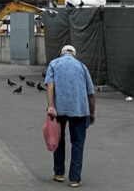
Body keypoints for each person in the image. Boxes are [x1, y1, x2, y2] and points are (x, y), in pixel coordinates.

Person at [44, 44, 95, 188]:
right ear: (74, 54)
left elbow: (50, 86)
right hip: (80, 109)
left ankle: (59, 173)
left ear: (61, 53)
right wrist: (92, 113)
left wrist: (51, 106)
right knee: (77, 143)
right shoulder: (82, 66)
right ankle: (75, 179)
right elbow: (91, 94)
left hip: (59, 109)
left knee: (58, 139)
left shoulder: (54, 64)